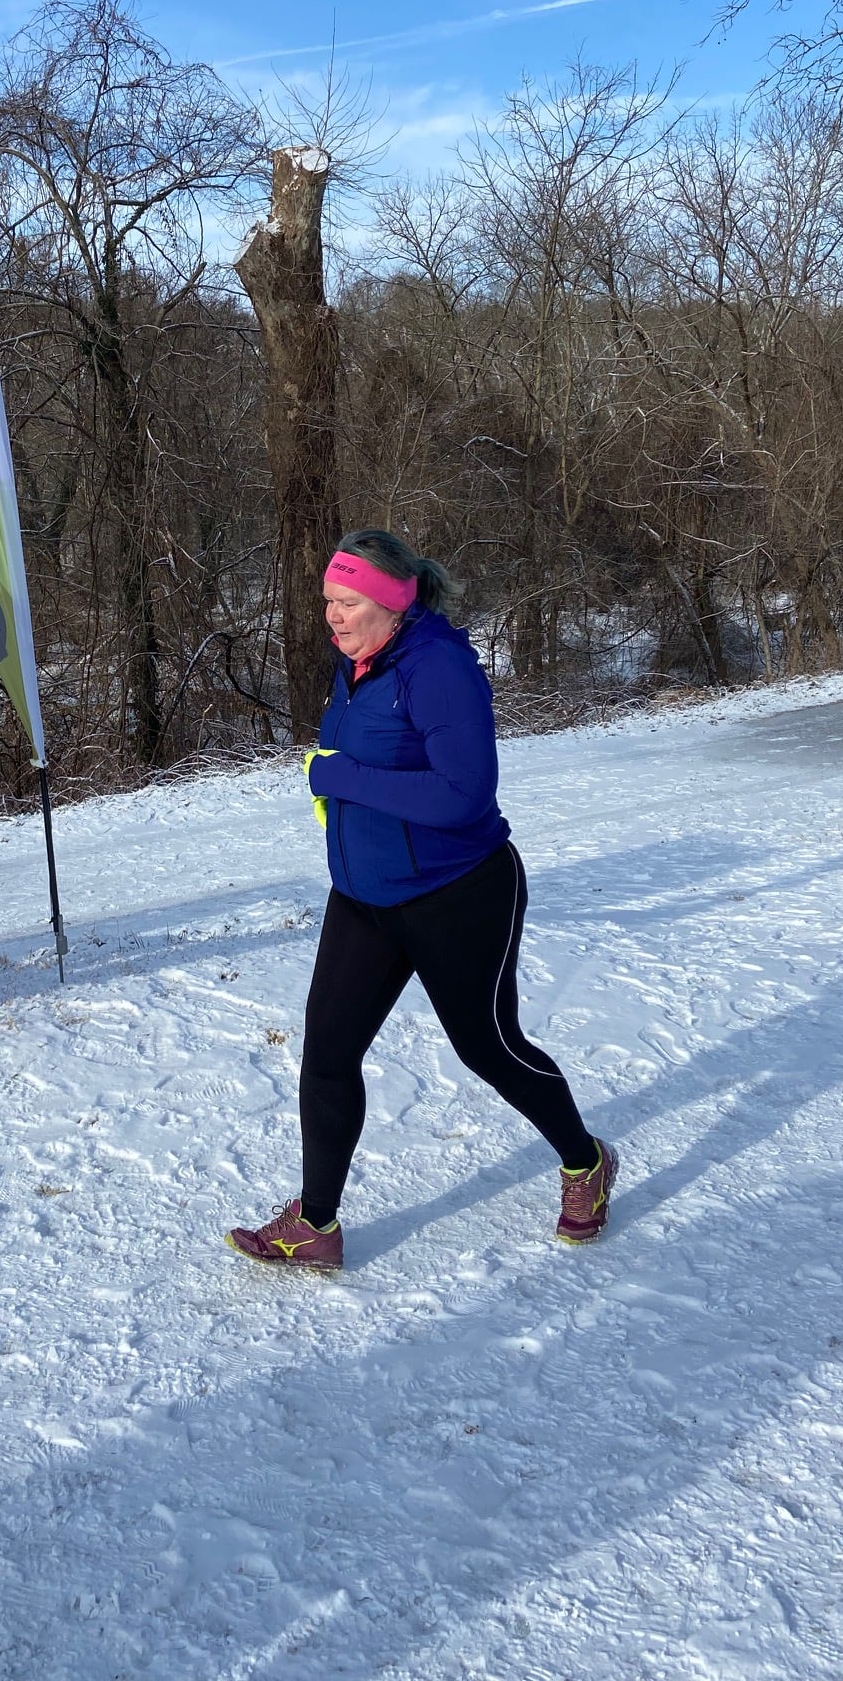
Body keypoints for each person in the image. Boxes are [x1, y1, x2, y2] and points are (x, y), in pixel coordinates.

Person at [228, 530, 616, 1270]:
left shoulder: (438, 669)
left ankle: (584, 1161)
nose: (332, 617)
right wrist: (342, 803)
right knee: (329, 1055)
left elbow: (464, 794)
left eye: (345, 603)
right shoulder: (359, 668)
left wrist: (337, 780)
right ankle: (316, 1223)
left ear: (389, 603)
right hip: (365, 898)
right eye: (328, 603)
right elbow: (376, 760)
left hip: (458, 893)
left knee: (488, 1048)